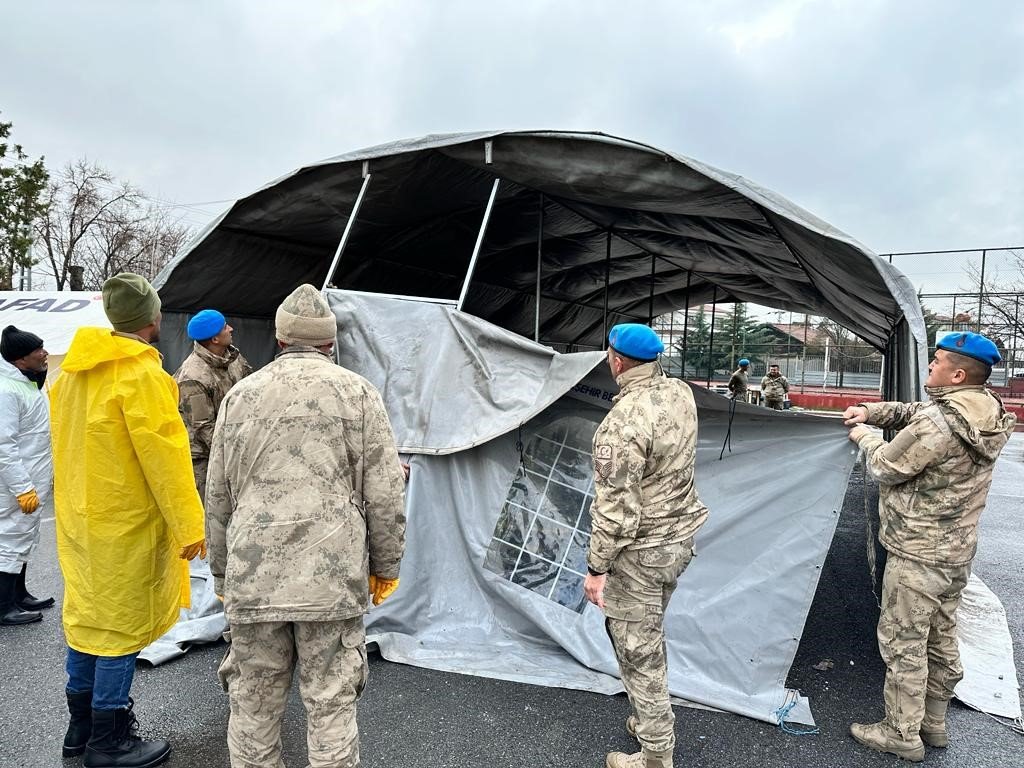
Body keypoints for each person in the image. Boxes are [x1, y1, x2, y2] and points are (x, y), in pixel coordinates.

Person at [207, 283, 407, 768]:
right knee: (331, 702)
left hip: (254, 576)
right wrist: (386, 566)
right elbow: (385, 491)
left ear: (279, 339)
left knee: (253, 706)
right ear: (330, 341)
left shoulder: (240, 396)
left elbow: (218, 494)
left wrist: (222, 573)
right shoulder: (359, 394)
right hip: (331, 576)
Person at [50, 273, 206, 768]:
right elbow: (167, 459)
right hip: (125, 524)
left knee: (86, 622)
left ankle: (79, 729)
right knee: (117, 629)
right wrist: (190, 526)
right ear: (153, 318)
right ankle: (109, 739)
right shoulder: (142, 376)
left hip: (80, 520)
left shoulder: (70, 375)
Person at [844, 331, 1015, 762]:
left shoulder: (938, 423)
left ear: (957, 375)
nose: (931, 366)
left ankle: (900, 733)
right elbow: (913, 411)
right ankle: (933, 722)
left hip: (917, 552)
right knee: (940, 635)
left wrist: (864, 434)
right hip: (955, 552)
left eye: (937, 362)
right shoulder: (985, 409)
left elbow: (886, 466)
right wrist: (871, 410)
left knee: (903, 641)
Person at [583, 323, 710, 768]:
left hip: (640, 553)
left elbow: (617, 512)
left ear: (616, 361)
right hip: (678, 541)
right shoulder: (679, 392)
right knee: (646, 635)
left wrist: (596, 568)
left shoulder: (621, 424)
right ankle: (646, 718)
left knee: (640, 651)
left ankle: (656, 753)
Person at [0, 326, 54, 626]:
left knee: (24, 537)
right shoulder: (6, 391)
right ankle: (3, 606)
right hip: (15, 484)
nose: (45, 353)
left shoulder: (27, 383)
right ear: (20, 359)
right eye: (38, 350)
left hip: (31, 478)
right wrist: (22, 487)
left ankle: (18, 595)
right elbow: (3, 446)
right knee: (8, 539)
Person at [173, 308, 253, 503]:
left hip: (234, 446)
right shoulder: (193, 377)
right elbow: (203, 427)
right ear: (215, 339)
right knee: (212, 512)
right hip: (206, 460)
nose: (231, 329)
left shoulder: (233, 358)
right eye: (225, 327)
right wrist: (236, 455)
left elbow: (252, 388)